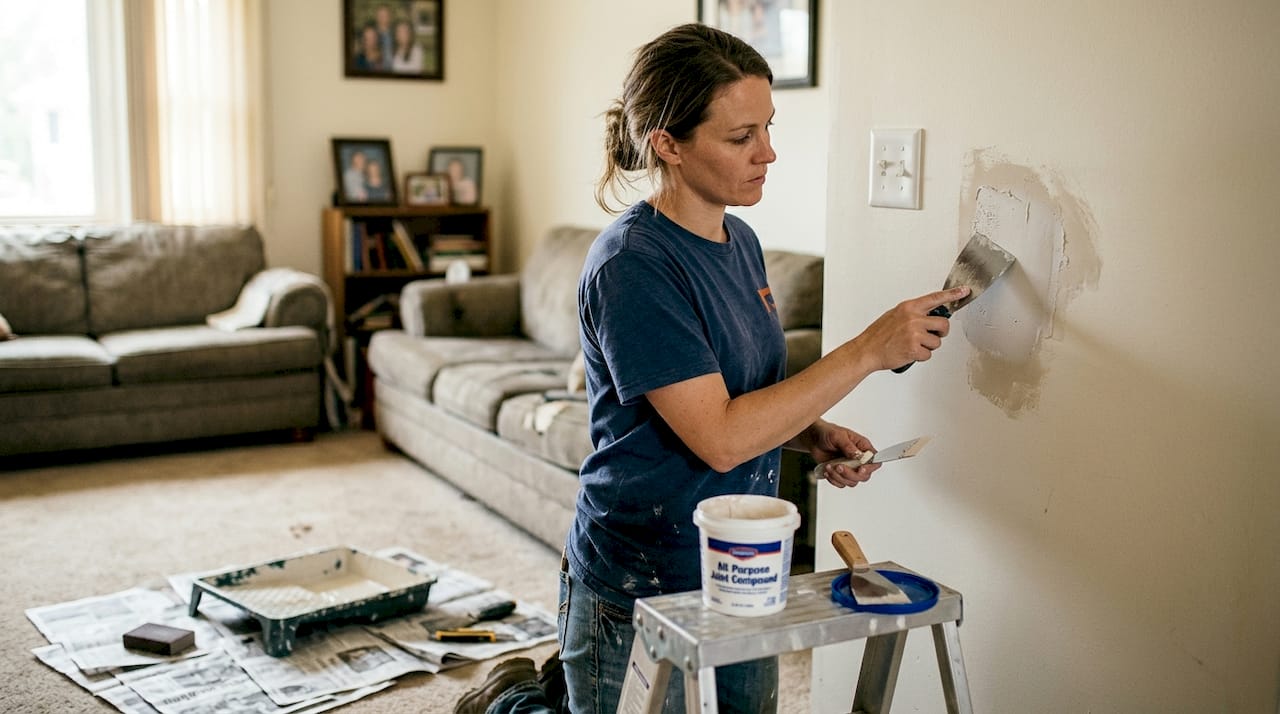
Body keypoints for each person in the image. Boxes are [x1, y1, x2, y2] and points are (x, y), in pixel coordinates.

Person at [454, 22, 968, 714]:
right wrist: (868, 350)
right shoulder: (633, 265)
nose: (769, 153)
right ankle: (512, 698)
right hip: (640, 581)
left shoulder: (740, 239)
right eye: (740, 137)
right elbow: (719, 436)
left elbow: (736, 394)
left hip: (744, 573)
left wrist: (812, 433)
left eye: (768, 127)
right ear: (667, 143)